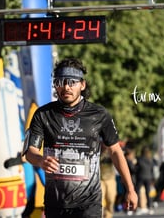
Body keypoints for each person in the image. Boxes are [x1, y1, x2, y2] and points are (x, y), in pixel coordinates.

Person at [23, 58, 138, 218]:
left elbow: (115, 151)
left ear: (82, 85)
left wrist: (130, 189)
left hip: (89, 204)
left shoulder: (99, 115)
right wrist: (41, 160)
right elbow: (30, 152)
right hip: (55, 203)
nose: (66, 87)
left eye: (72, 82)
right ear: (55, 85)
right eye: (61, 82)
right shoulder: (43, 115)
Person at [135, 147, 155, 215]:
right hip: (148, 177)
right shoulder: (150, 159)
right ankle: (150, 207)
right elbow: (152, 170)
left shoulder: (139, 159)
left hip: (141, 177)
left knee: (137, 192)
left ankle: (137, 207)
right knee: (148, 193)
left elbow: (136, 169)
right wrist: (153, 178)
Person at [100, 144, 117, 218]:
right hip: (100, 180)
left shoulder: (111, 152)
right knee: (100, 200)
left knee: (111, 199)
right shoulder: (98, 152)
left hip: (110, 179)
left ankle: (108, 215)